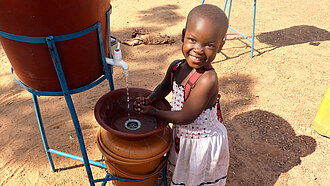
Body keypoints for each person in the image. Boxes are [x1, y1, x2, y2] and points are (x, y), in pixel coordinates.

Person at [134, 4, 229, 186]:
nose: (198, 50)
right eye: (192, 40)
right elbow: (164, 86)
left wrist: (152, 111)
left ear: (221, 45)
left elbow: (185, 117)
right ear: (183, 35)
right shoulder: (176, 66)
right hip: (184, 136)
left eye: (209, 44)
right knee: (182, 172)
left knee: (195, 177)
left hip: (200, 142)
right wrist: (150, 98)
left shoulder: (207, 79)